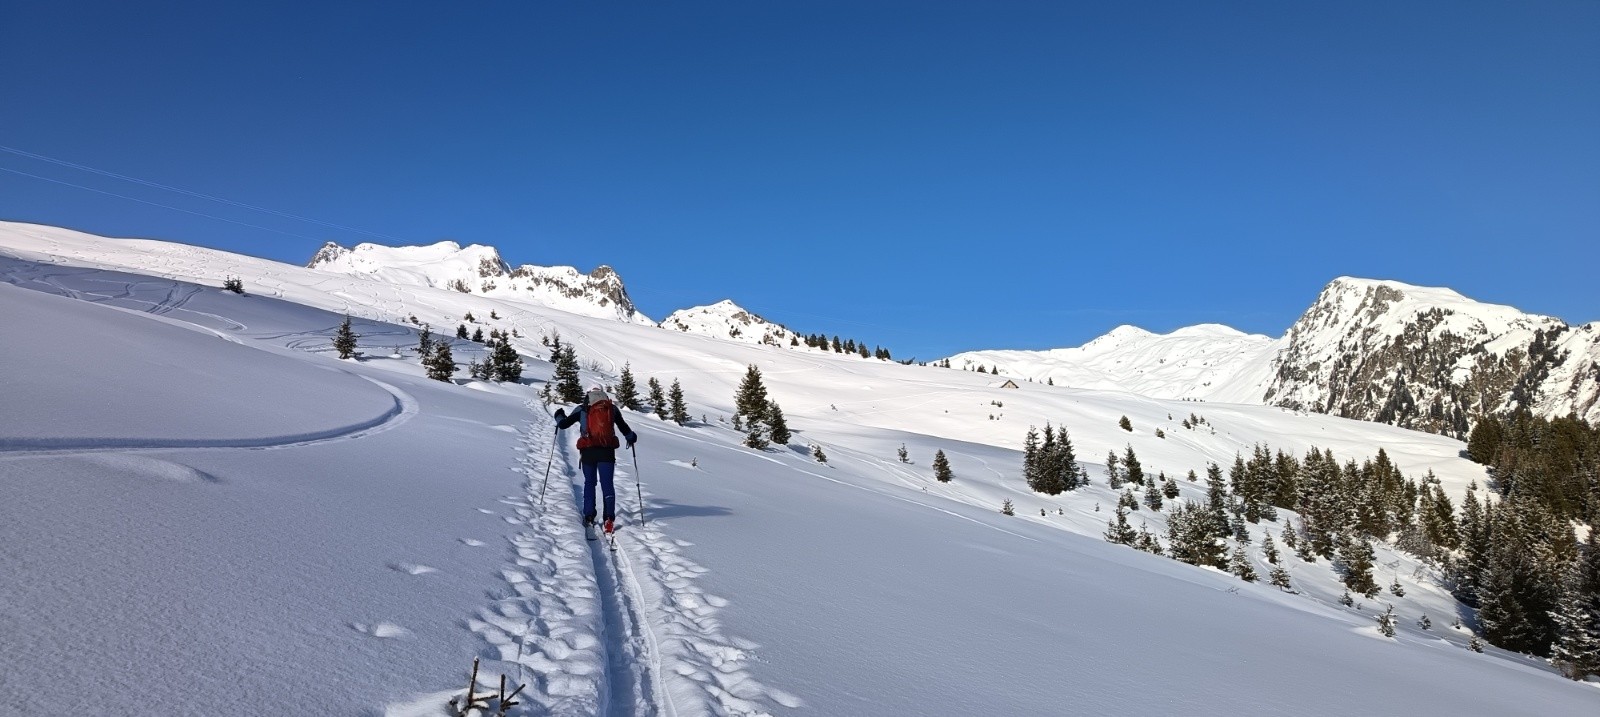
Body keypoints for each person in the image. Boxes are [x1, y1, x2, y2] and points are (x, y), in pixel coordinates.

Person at [554, 387, 637, 534]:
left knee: (590, 483)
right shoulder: (611, 409)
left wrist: (559, 416)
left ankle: (589, 516)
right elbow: (624, 428)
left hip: (588, 451)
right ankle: (609, 519)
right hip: (607, 452)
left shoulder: (582, 409)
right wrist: (631, 437)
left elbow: (563, 424)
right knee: (607, 484)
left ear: (588, 394)